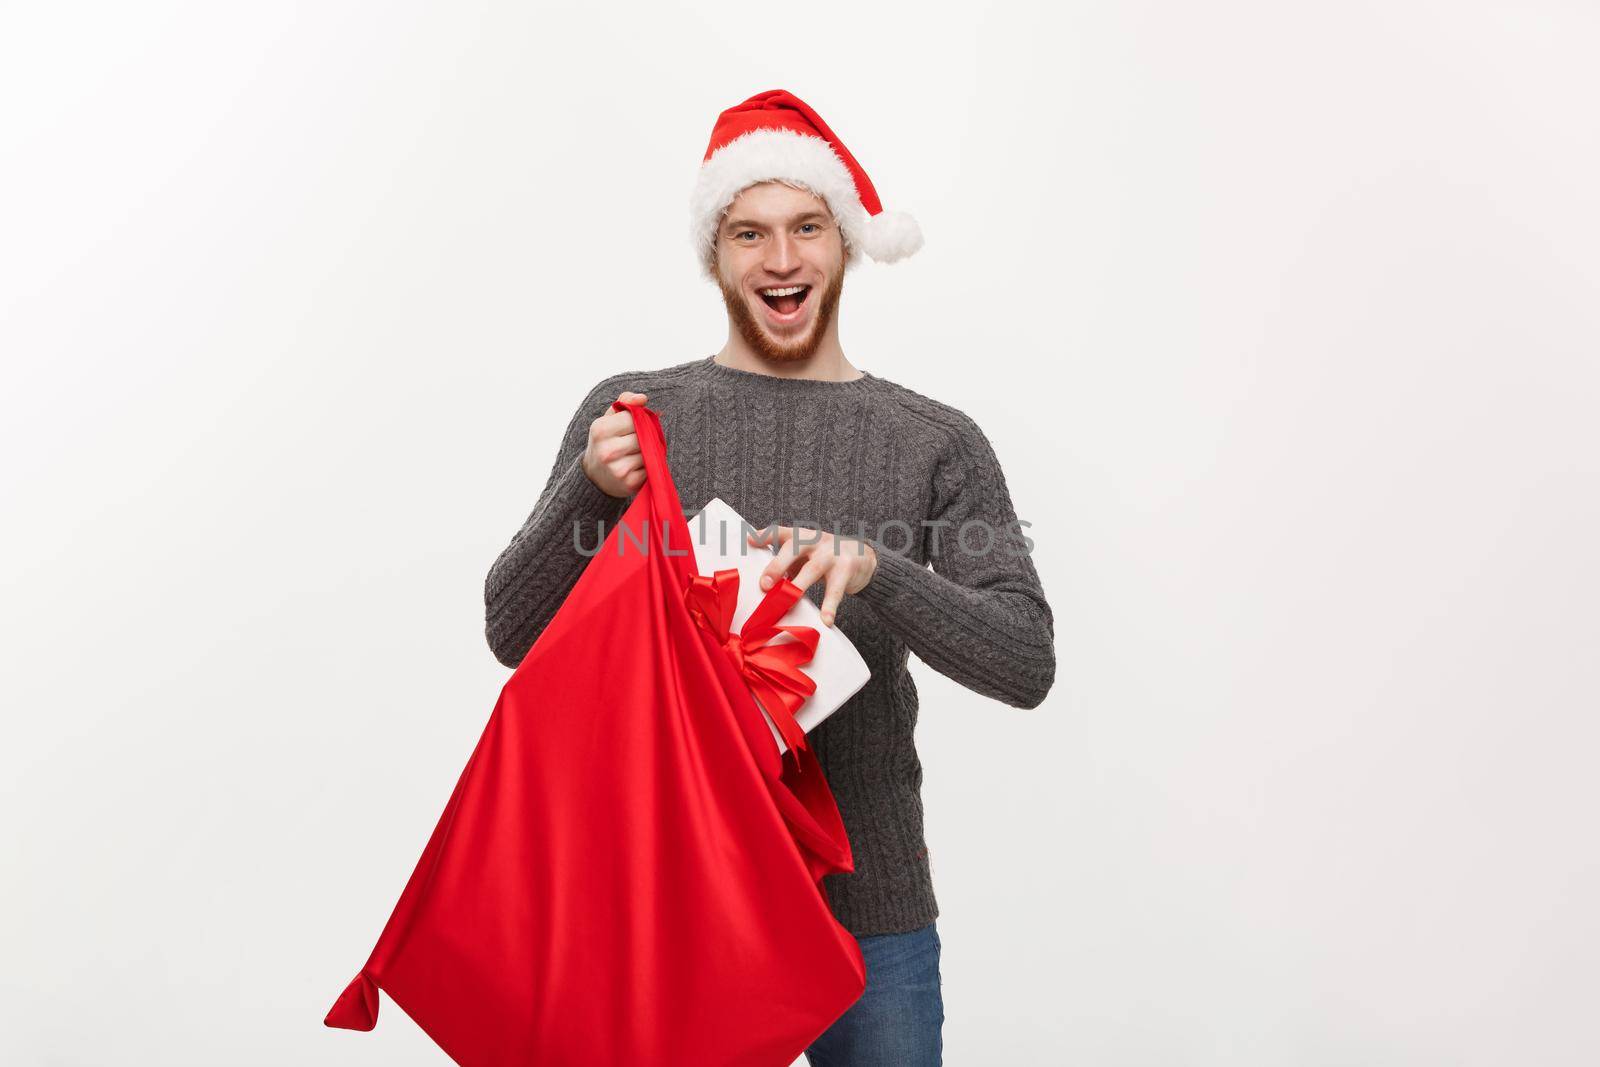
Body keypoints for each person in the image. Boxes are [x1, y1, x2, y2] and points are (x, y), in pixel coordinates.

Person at [483, 89, 1056, 1066]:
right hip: (670, 909)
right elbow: (512, 630)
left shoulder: (932, 443)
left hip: (865, 911)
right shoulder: (636, 416)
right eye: (749, 231)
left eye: (806, 227)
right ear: (715, 250)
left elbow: (1024, 660)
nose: (780, 258)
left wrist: (878, 571)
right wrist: (587, 488)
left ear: (842, 245)